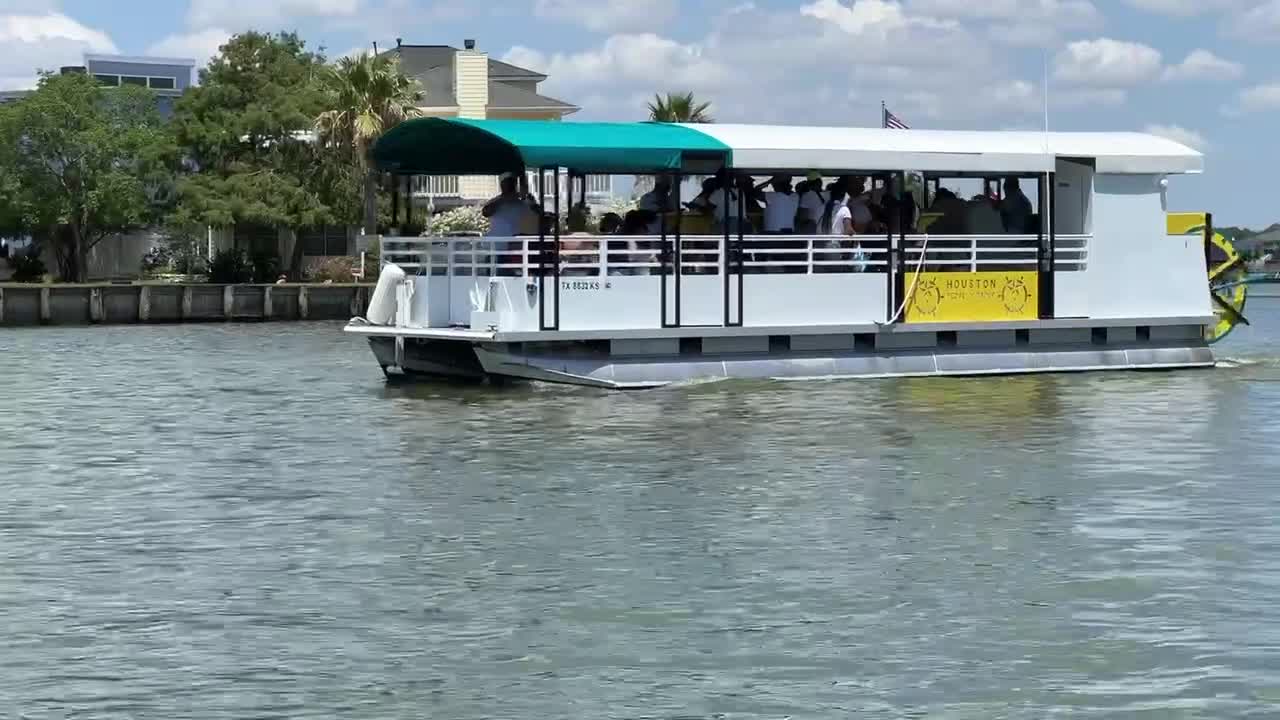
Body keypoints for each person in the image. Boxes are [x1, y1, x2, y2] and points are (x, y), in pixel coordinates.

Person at [481, 173, 534, 238]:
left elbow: (537, 216)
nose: (510, 185)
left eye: (512, 182)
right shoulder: (494, 201)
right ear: (501, 185)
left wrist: (527, 198)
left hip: (516, 241)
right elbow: (486, 213)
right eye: (507, 182)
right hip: (495, 240)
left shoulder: (523, 202)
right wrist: (506, 198)